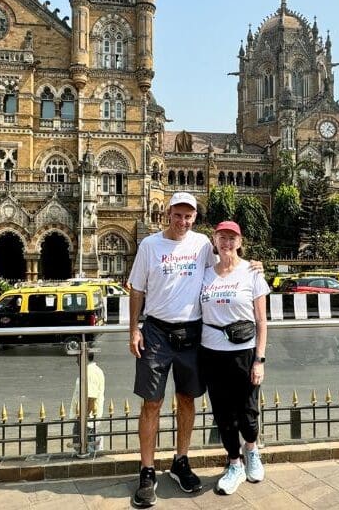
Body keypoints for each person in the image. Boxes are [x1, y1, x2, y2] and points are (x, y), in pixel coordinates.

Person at [128, 191, 262, 507]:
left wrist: (254, 265)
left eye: (189, 216)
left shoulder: (203, 244)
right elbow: (136, 289)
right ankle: (147, 470)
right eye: (178, 214)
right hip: (156, 331)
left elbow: (228, 265)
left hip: (192, 333)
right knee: (152, 402)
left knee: (187, 399)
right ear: (168, 213)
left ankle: (181, 461)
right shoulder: (150, 245)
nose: (183, 220)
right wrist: (134, 328)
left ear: (194, 218)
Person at [199, 220, 269, 496]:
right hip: (212, 352)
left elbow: (262, 321)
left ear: (240, 242)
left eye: (232, 238)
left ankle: (252, 450)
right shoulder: (205, 274)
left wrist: (259, 360)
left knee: (248, 412)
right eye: (222, 238)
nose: (227, 243)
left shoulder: (252, 272)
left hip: (244, 351)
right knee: (223, 413)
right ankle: (234, 463)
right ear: (214, 241)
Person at [70, 352, 105, 452]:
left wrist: (82, 418)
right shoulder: (90, 371)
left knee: (84, 448)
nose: (76, 360)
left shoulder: (90, 372)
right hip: (86, 418)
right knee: (84, 447)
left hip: (86, 420)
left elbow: (91, 398)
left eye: (77, 357)